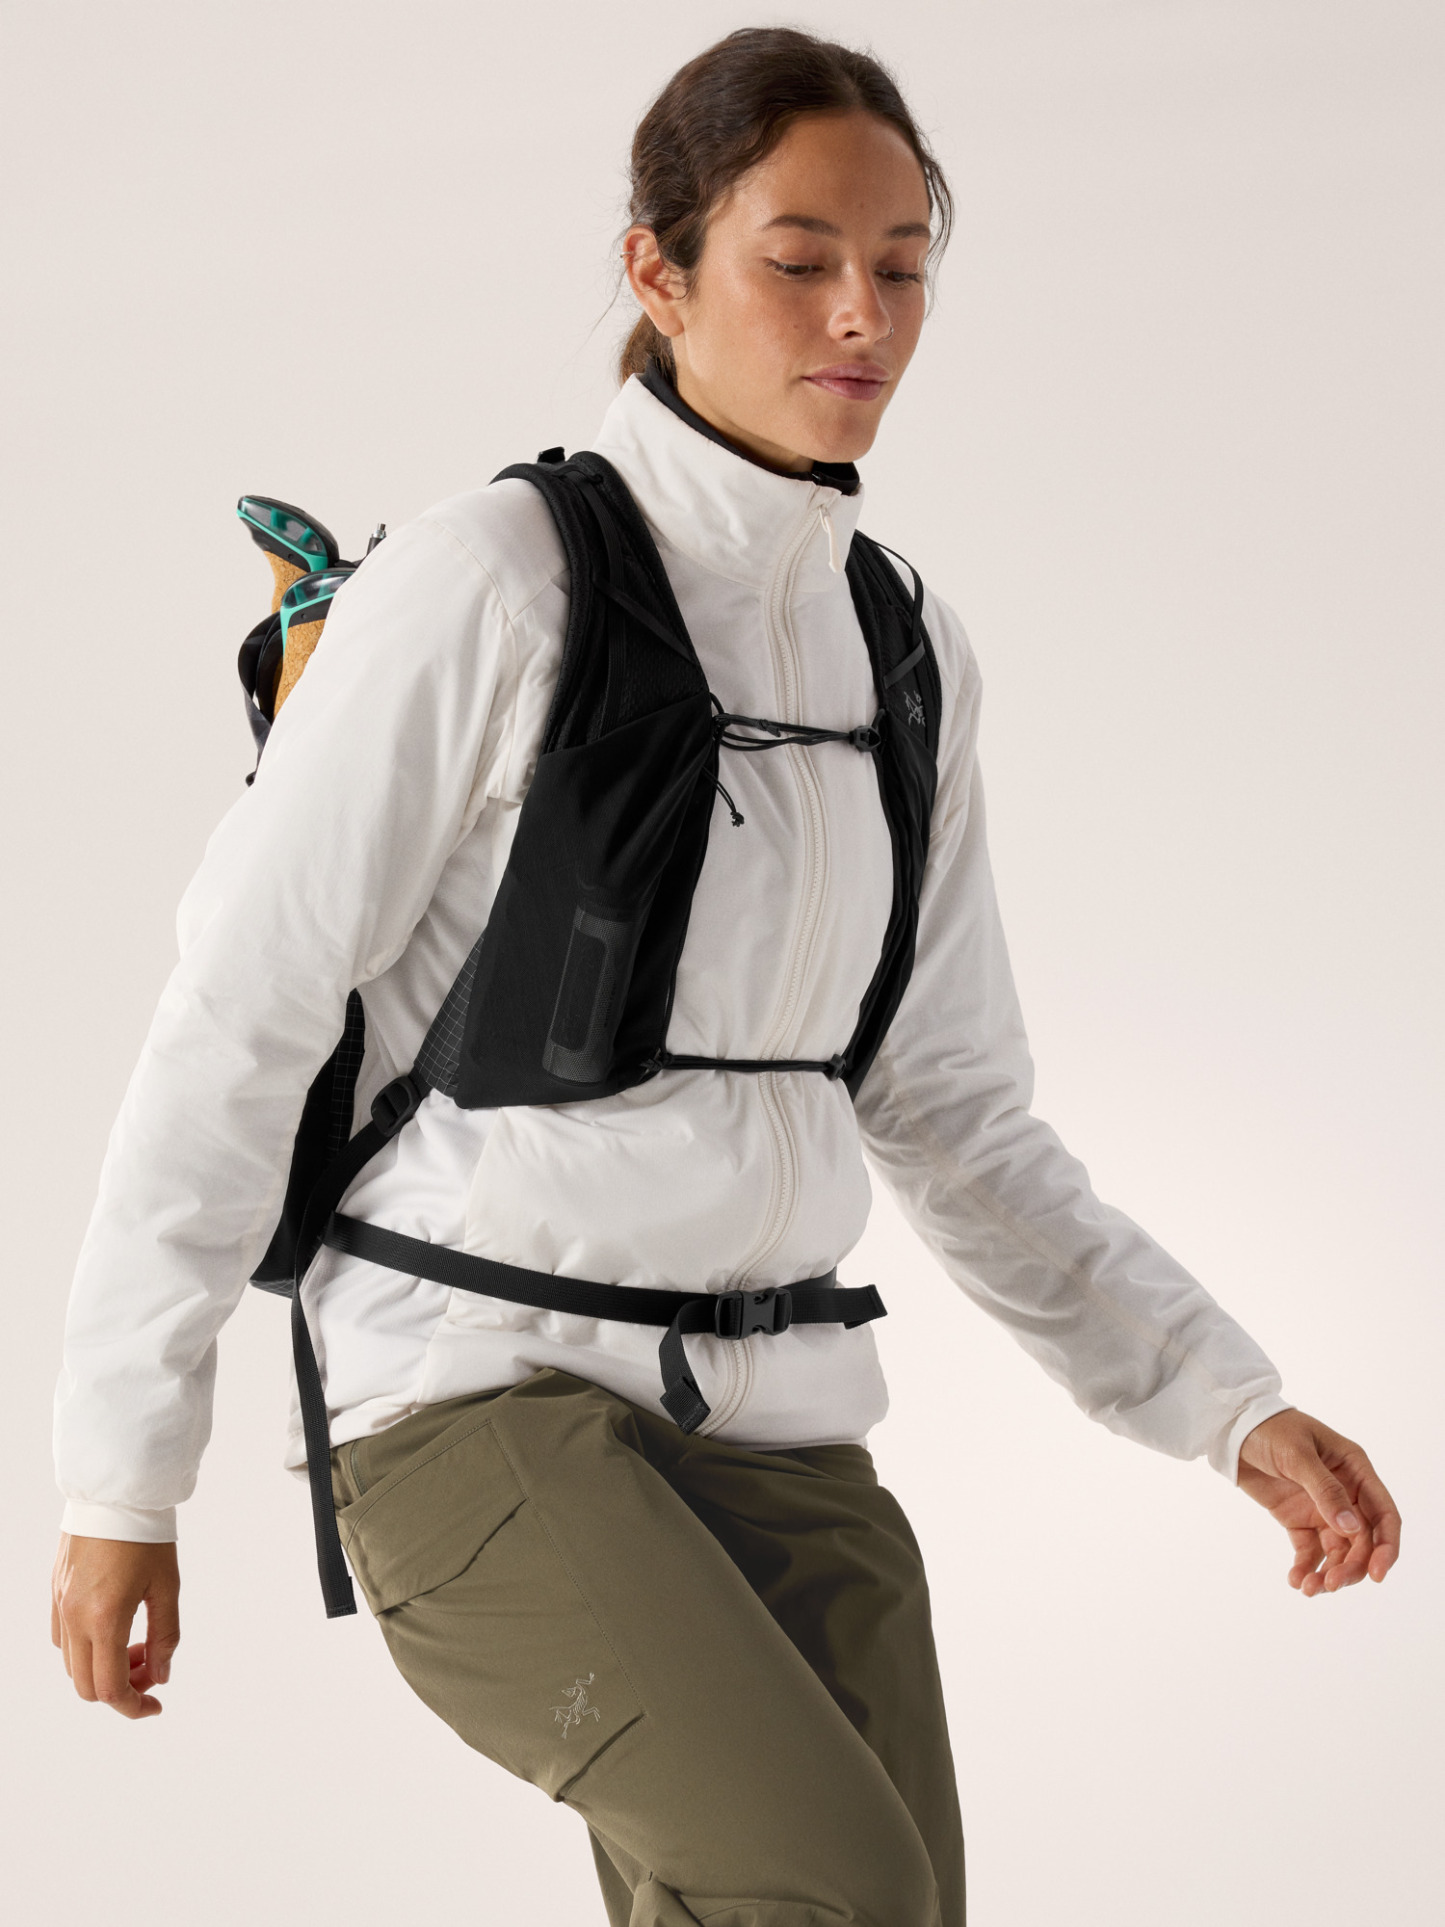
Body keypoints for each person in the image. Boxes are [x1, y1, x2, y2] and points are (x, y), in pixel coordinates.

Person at [50, 26, 1400, 1927]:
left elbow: (949, 1108)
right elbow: (237, 1015)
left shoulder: (900, 642)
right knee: (833, 1889)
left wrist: (1220, 1400)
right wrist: (122, 1481)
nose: (862, 314)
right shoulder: (495, 579)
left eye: (903, 265)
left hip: (779, 1418)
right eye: (797, 258)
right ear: (658, 270)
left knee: (879, 1907)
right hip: (475, 1400)